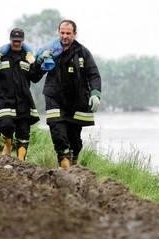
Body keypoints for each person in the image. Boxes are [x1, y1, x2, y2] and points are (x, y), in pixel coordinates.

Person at [35, 20, 102, 169]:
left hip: (77, 100)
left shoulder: (83, 52)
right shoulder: (50, 51)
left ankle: (73, 164)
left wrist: (95, 94)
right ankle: (64, 165)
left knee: (74, 139)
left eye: (68, 33)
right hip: (54, 97)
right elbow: (34, 76)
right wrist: (39, 61)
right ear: (58, 33)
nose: (64, 36)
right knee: (57, 131)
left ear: (74, 34)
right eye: (62, 33)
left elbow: (94, 75)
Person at [0, 28, 41, 160]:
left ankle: (20, 162)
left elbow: (35, 78)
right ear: (10, 40)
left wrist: (36, 64)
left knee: (24, 133)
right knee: (6, 125)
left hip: (23, 101)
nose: (16, 43)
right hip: (4, 100)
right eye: (14, 41)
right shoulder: (1, 56)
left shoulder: (27, 57)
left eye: (19, 41)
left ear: (23, 41)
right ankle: (8, 144)